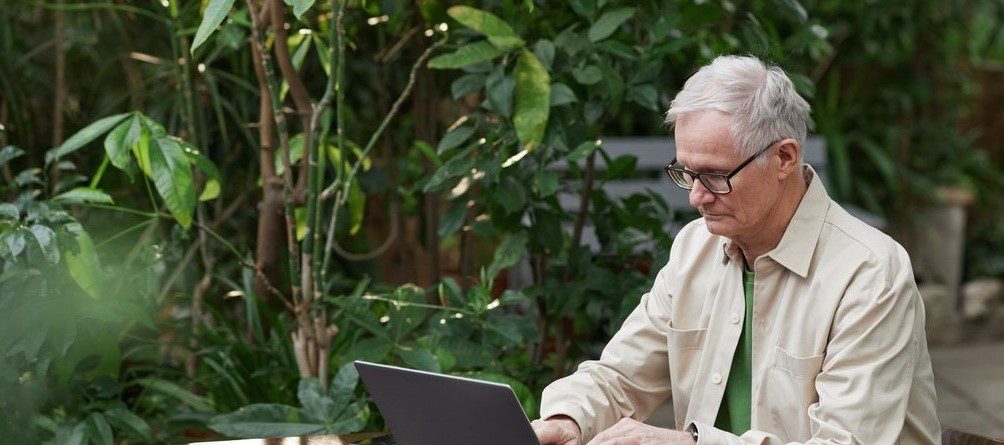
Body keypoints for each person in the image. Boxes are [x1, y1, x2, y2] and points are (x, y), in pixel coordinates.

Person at [530, 55, 940, 445]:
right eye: (685, 173)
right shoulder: (696, 247)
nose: (695, 197)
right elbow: (621, 376)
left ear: (784, 158)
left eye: (713, 176)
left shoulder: (869, 275)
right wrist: (569, 419)